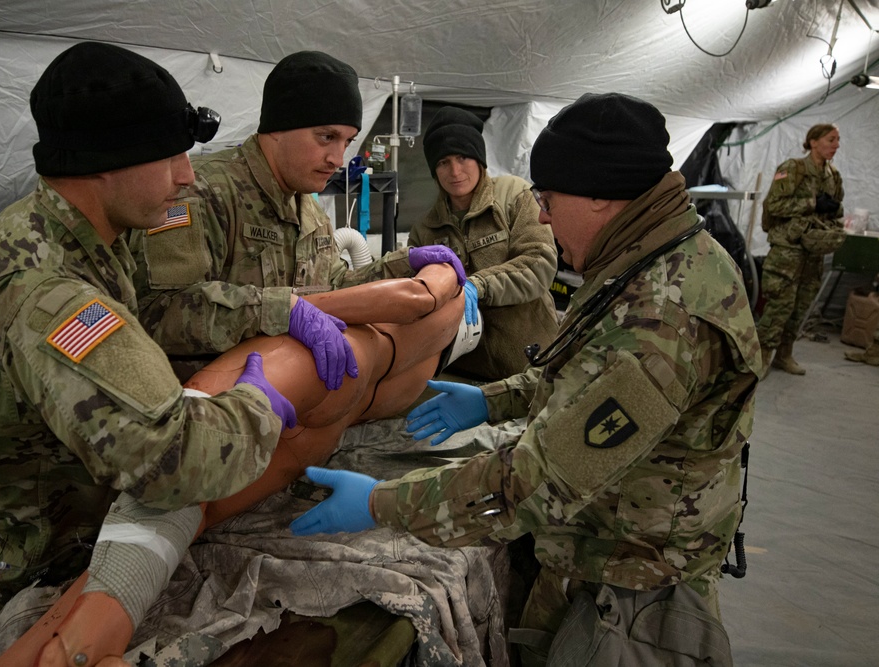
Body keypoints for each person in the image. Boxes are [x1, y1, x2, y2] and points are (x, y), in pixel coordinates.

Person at [290, 92, 763, 666]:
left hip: (627, 588)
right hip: (603, 547)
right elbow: (582, 377)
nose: (541, 214)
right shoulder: (648, 260)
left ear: (599, 194)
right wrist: (492, 402)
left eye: (550, 197)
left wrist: (382, 505)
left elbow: (535, 484)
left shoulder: (663, 316)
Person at [0, 42, 296, 627]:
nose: (186, 177)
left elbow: (155, 310)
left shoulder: (89, 236)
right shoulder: (44, 293)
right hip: (40, 570)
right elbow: (170, 463)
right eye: (168, 156)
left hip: (81, 527)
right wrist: (260, 405)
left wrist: (279, 310)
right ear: (101, 163)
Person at [0, 262, 466, 666]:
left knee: (174, 503)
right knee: (185, 517)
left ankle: (64, 648)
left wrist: (301, 309)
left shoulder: (447, 297)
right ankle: (71, 648)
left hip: (304, 369)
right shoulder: (420, 369)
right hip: (329, 423)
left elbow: (417, 296)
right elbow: (414, 301)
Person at [129, 50, 466, 388]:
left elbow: (332, 286)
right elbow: (159, 313)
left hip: (289, 398)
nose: (337, 158)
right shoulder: (202, 193)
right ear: (278, 128)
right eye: (327, 137)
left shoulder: (307, 207)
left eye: (347, 141)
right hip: (207, 406)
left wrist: (400, 266)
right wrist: (280, 311)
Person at [410, 105, 559, 381]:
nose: (455, 171)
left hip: (531, 366)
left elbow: (539, 264)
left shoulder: (515, 196)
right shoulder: (425, 230)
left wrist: (477, 286)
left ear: (479, 159)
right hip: (461, 372)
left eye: (463, 157)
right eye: (443, 162)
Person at [757, 124, 845, 375]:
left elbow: (837, 209)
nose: (836, 145)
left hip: (813, 251)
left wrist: (830, 211)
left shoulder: (833, 175)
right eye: (831, 139)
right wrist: (812, 203)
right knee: (779, 305)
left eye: (838, 140)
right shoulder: (793, 169)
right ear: (813, 142)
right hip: (788, 250)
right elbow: (774, 205)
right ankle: (762, 355)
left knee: (800, 306)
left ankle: (784, 355)